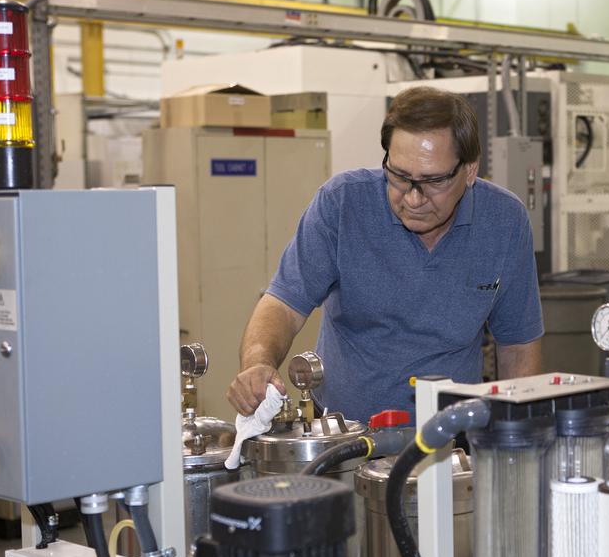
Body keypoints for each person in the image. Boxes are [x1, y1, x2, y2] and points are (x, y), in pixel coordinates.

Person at [226, 86, 543, 419]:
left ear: (470, 170)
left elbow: (518, 347)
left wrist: (519, 440)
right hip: (342, 434)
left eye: (433, 181)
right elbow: (283, 305)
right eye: (400, 176)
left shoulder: (504, 222)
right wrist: (258, 363)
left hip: (451, 433)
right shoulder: (342, 203)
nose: (413, 198)